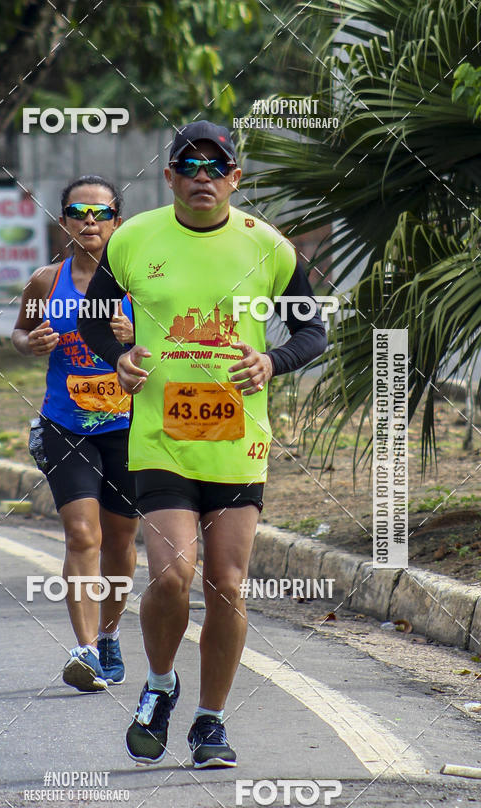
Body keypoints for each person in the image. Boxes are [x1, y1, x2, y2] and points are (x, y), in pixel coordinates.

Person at [79, 121, 327, 766]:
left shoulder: (266, 245)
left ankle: (210, 722)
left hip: (237, 440)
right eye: (188, 166)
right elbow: (92, 318)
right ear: (169, 178)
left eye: (216, 168)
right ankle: (160, 684)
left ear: (235, 179)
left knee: (226, 582)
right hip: (161, 436)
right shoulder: (134, 238)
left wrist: (273, 361)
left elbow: (313, 332)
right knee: (170, 575)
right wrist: (119, 356)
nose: (202, 178)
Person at [12, 175, 138, 693]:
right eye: (78, 211)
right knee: (83, 534)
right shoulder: (45, 280)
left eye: (101, 213)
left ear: (117, 222)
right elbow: (20, 331)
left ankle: (109, 635)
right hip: (67, 424)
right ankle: (84, 651)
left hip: (131, 425)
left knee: (121, 538)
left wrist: (140, 335)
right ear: (64, 221)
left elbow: (176, 341)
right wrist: (30, 342)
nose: (90, 221)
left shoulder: (140, 285)